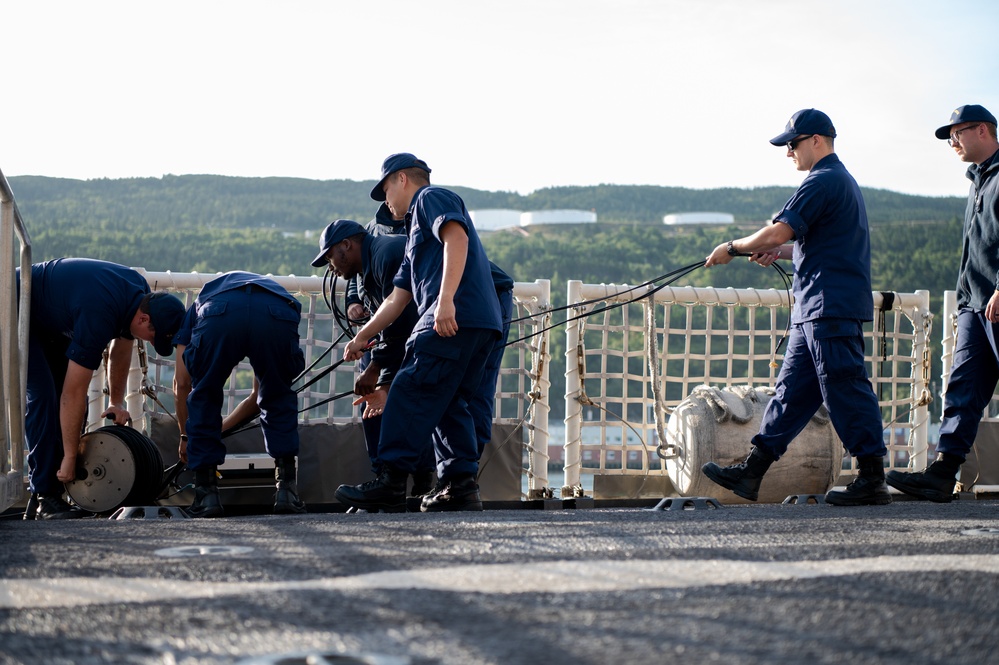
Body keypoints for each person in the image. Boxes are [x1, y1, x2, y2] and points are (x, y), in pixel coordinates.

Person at [700, 109, 891, 506]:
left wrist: (733, 248)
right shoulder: (838, 181)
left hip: (829, 306)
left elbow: (779, 229)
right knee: (789, 394)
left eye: (792, 143)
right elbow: (806, 242)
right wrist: (783, 252)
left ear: (816, 140)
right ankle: (752, 472)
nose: (788, 152)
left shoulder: (822, 181)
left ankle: (872, 478)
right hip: (815, 309)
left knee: (845, 388)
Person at [334, 153, 502, 512]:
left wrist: (445, 302)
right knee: (449, 403)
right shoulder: (413, 234)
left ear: (401, 180)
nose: (386, 202)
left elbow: (456, 238)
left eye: (385, 191)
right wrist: (362, 335)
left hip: (453, 317)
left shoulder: (430, 197)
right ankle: (460, 486)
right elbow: (397, 299)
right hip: (481, 324)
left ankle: (391, 480)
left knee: (409, 390)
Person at [886, 105, 999, 502]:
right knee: (961, 390)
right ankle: (942, 473)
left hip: (998, 299)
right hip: (974, 305)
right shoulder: (979, 180)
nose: (952, 142)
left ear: (982, 130)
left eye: (957, 133)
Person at [18, 258, 186, 519]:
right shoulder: (99, 313)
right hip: (15, 306)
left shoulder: (140, 294)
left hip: (49, 321)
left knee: (73, 400)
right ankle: (44, 495)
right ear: (144, 319)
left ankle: (48, 493)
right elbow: (71, 394)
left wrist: (116, 402)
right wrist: (71, 458)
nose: (149, 342)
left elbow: (122, 347)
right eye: (152, 337)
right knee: (44, 396)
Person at [172, 271, 306, 518]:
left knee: (205, 394)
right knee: (277, 394)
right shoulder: (267, 287)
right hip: (276, 309)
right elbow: (260, 397)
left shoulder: (196, 306)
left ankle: (207, 495)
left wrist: (186, 436)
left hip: (218, 311)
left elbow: (183, 383)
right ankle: (287, 491)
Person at [310, 218, 430, 495]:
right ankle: (394, 485)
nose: (331, 267)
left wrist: (376, 368)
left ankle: (417, 486)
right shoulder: (368, 266)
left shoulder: (387, 254)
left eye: (330, 257)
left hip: (441, 328)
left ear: (346, 245)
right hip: (408, 340)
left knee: (426, 400)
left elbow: (403, 322)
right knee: (391, 402)